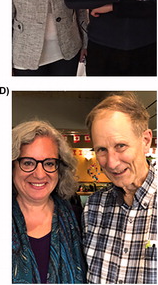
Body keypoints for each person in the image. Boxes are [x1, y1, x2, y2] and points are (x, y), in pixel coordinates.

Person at [83, 93, 156, 284]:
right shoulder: (93, 206)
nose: (112, 163)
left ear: (146, 140)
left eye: (121, 146)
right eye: (101, 150)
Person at [12, 120, 86, 283]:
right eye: (28, 163)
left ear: (60, 169)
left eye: (49, 163)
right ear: (12, 166)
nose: (39, 174)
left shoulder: (80, 219)